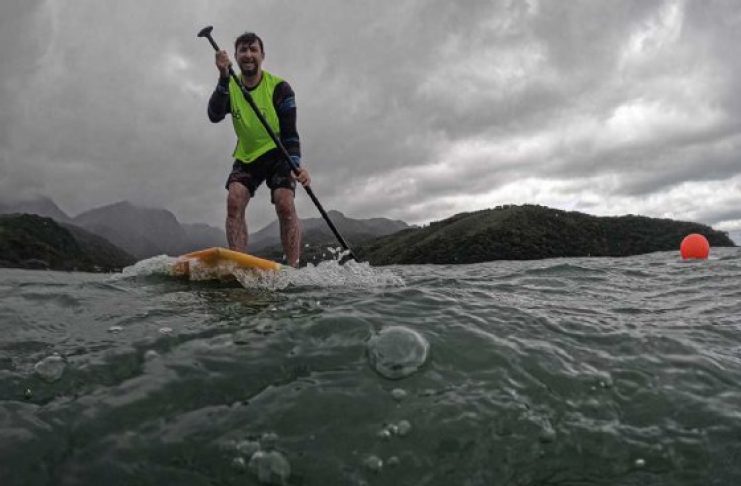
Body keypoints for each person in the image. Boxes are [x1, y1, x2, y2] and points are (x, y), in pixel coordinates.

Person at [207, 31, 310, 267]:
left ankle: (292, 267)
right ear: (235, 57)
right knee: (234, 199)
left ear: (262, 55)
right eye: (243, 50)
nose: (249, 54)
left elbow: (290, 133)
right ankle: (240, 266)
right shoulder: (230, 85)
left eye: (253, 49)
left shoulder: (280, 88)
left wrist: (296, 164)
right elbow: (214, 115)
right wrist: (223, 77)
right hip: (247, 154)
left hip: (278, 152)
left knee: (284, 201)